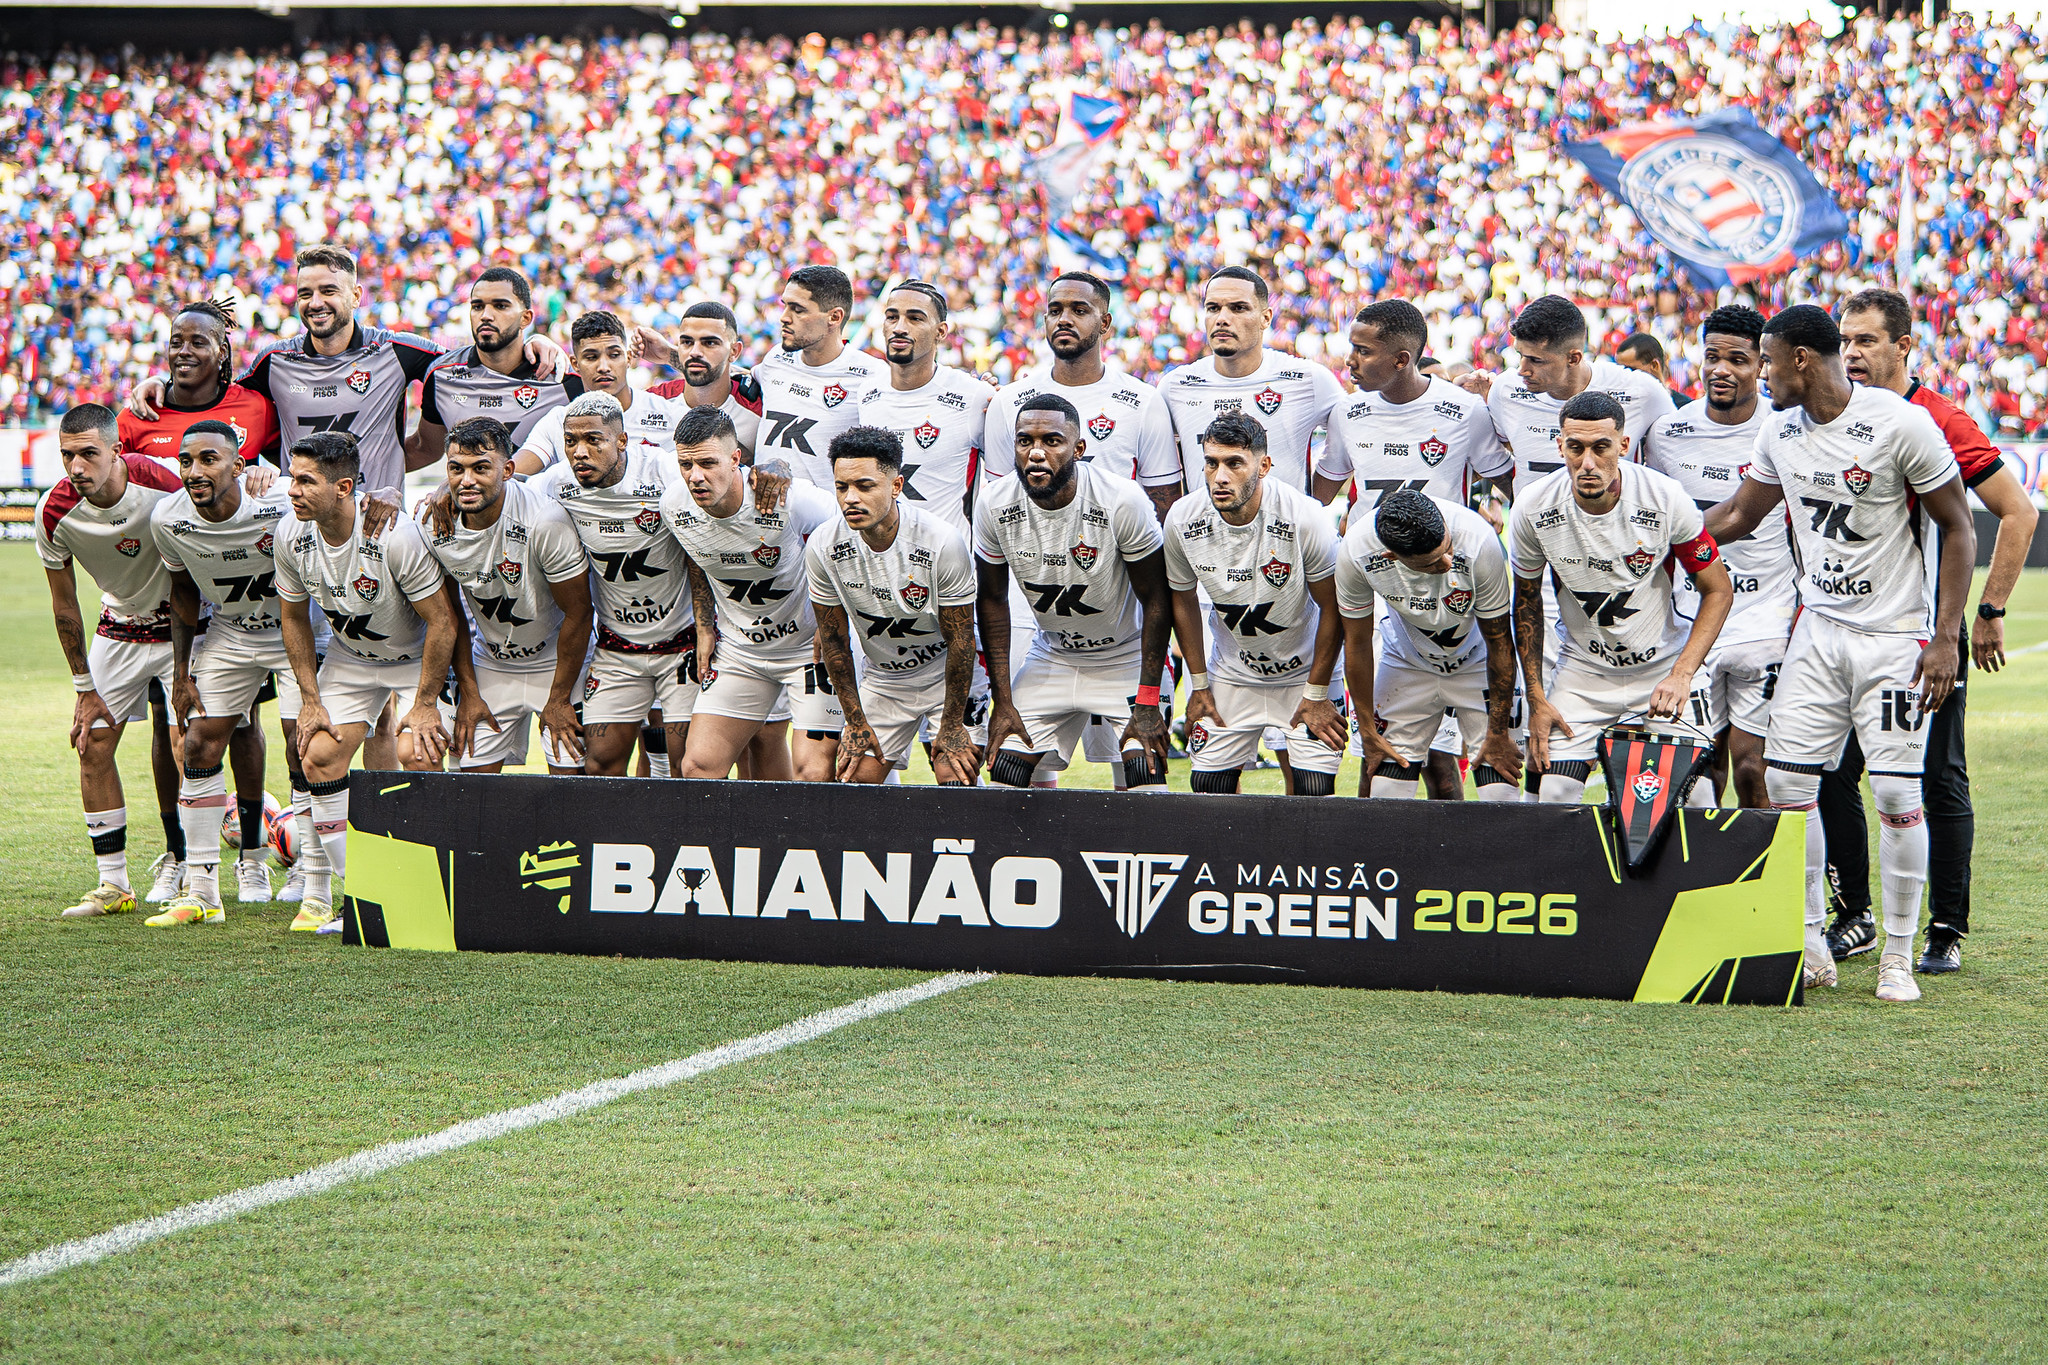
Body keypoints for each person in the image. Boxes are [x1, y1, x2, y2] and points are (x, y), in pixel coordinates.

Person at [1704, 304, 1976, 1002]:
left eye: (1766, 359)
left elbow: (1957, 525)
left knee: (1894, 793)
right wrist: (1665, 539)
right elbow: (1738, 515)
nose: (1760, 373)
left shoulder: (1898, 424)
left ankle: (1896, 955)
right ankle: (1811, 936)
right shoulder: (1780, 432)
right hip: (1816, 634)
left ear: (1800, 358)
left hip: (1893, 640)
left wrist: (1945, 635)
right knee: (1790, 786)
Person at [1821, 288, 2038, 973]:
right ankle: (1853, 914)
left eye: (1866, 341)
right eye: (1845, 341)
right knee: (1832, 772)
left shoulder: (1939, 418)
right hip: (1844, 631)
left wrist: (1989, 610)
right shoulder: (1830, 413)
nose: (1852, 353)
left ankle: (1945, 927)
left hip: (1925, 636)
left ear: (1904, 346)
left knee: (1936, 776)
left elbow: (2017, 510)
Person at [1510, 391, 1734, 805]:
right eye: (1575, 448)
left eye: (1601, 447)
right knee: (1553, 792)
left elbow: (1718, 590)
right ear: (1560, 446)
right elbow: (1525, 604)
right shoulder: (1532, 507)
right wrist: (1538, 699)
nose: (1588, 463)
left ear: (1624, 446)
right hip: (1584, 672)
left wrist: (1682, 674)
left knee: (1699, 796)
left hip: (1662, 665)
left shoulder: (1665, 498)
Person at [276, 432, 456, 934]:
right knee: (317, 755)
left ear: (344, 488)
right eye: (292, 478)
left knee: (418, 752)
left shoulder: (393, 534)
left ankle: (433, 886)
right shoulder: (292, 534)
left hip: (415, 659)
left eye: (305, 481)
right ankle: (362, 896)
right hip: (352, 659)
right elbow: (293, 618)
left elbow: (441, 621)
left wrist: (422, 703)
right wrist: (310, 700)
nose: (293, 490)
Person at [41, 406, 210, 915]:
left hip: (186, 630)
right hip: (118, 630)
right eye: (68, 455)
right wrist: (82, 686)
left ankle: (198, 880)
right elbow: (64, 603)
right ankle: (114, 885)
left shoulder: (161, 483)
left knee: (193, 745)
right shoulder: (54, 512)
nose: (76, 467)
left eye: (89, 454)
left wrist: (184, 671)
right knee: (91, 743)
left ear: (118, 451)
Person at [975, 394, 1175, 788]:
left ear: (1078, 448)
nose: (1035, 453)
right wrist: (1004, 701)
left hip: (1126, 657)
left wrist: (1149, 699)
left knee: (1144, 774)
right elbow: (992, 599)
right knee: (1005, 773)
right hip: (1054, 655)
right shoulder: (994, 503)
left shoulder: (1121, 499)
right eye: (1024, 441)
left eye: (1051, 440)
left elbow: (1157, 598)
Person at [145, 420, 298, 928]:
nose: (194, 471)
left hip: (296, 628)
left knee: (304, 742)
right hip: (232, 633)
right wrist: (181, 672)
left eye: (209, 460)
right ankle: (203, 890)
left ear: (239, 466)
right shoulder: (169, 519)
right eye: (186, 461)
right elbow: (183, 591)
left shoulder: (277, 500)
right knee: (197, 745)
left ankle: (311, 880)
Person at [1640, 306, 1792, 809]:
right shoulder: (1667, 434)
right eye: (1712, 357)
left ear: (1761, 366)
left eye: (1738, 359)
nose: (1722, 369)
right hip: (1692, 617)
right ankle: (1704, 879)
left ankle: (1765, 881)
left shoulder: (1787, 429)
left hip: (1764, 615)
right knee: (1701, 769)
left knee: (1753, 767)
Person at [1162, 412, 1346, 795]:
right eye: (1211, 463)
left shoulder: (1305, 517)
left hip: (1306, 673)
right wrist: (1198, 685)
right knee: (1209, 785)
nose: (1220, 477)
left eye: (1234, 463)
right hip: (1232, 673)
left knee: (1313, 789)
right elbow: (1181, 600)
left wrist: (1316, 694)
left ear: (1263, 466)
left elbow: (1336, 607)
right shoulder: (1183, 517)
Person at [665, 406, 840, 781]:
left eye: (708, 463)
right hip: (741, 652)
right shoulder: (674, 505)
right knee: (697, 767)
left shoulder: (786, 497)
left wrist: (835, 624)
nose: (695, 476)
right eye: (685, 465)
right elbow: (697, 556)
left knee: (812, 773)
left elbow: (849, 539)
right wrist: (704, 627)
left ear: (735, 459)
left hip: (808, 651)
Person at [531, 392, 698, 777]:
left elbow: (728, 480)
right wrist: (442, 492)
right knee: (600, 762)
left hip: (682, 645)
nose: (579, 452)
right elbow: (508, 494)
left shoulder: (665, 471)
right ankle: (615, 839)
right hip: (616, 647)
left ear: (622, 441)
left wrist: (771, 467)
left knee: (688, 765)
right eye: (570, 442)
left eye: (594, 440)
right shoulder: (558, 484)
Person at [806, 426, 985, 784]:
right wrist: (856, 722)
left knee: (955, 775)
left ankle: (974, 840)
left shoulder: (941, 542)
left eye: (864, 486)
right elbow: (834, 642)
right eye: (842, 487)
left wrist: (950, 725)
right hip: (886, 679)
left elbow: (962, 641)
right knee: (855, 779)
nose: (849, 498)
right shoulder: (824, 545)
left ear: (896, 486)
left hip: (945, 672)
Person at [425, 417, 593, 775]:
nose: (466, 481)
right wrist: (469, 692)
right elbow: (448, 615)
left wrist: (560, 697)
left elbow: (579, 612)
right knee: (472, 788)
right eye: (456, 469)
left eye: (481, 468)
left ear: (508, 470)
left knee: (572, 784)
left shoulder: (544, 520)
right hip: (491, 663)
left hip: (557, 664)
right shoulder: (433, 522)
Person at [1336, 489, 1525, 801]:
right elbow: (1356, 643)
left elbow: (1500, 642)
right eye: (1433, 562)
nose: (1447, 561)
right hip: (1406, 662)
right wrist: (1368, 730)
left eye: (1447, 548)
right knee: (1385, 791)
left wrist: (1498, 731)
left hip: (1478, 661)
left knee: (1500, 790)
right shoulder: (1357, 552)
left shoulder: (1478, 539)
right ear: (1392, 557)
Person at [984, 272, 1182, 519]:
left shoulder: (1143, 401)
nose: (1064, 320)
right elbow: (999, 506)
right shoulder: (1008, 401)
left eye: (1079, 311)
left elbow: (1163, 509)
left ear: (1105, 323)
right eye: (1055, 311)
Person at [1160, 267, 1345, 494]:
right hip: (1206, 529)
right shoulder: (1175, 386)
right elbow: (1156, 468)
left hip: (1284, 528)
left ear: (1265, 318)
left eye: (1238, 308)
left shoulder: (1310, 380)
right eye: (1213, 308)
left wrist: (1312, 505)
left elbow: (1350, 438)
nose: (1222, 319)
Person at [1312, 299, 1510, 509]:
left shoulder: (1466, 409)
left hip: (1440, 542)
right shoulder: (1346, 412)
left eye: (1363, 351)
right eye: (1352, 348)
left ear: (1401, 360)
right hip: (1367, 542)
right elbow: (1316, 501)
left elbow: (1512, 486)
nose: (1350, 360)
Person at [851, 281, 993, 536]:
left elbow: (1001, 482)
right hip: (880, 561)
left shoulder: (974, 395)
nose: (899, 328)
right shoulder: (865, 394)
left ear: (940, 332)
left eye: (915, 318)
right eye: (891, 317)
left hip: (946, 565)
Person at [411, 267, 574, 462]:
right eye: (477, 306)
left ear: (526, 318)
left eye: (500, 306)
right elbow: (424, 450)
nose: (486, 315)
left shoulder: (562, 377)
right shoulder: (441, 375)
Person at [753, 265, 887, 489]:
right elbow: (733, 378)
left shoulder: (873, 376)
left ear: (834, 317)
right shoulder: (776, 358)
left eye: (798, 310)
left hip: (827, 518)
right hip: (764, 515)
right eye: (785, 306)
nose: (784, 318)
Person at [513, 311, 685, 476]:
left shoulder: (667, 412)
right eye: (591, 357)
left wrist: (671, 355)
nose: (603, 367)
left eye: (614, 355)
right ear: (576, 363)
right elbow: (511, 478)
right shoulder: (557, 422)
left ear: (628, 358)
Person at [639, 300, 765, 455]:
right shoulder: (652, 401)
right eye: (686, 342)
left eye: (710, 343)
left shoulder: (759, 412)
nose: (695, 352)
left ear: (735, 351)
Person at [1614, 331, 1693, 409]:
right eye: (1621, 372)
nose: (1624, 378)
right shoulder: (1622, 410)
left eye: (1630, 370)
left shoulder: (1686, 409)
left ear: (1654, 366)